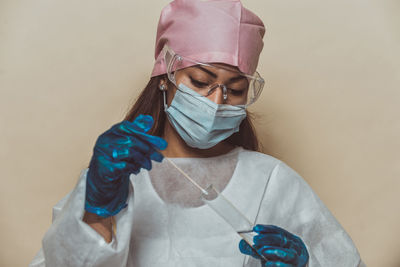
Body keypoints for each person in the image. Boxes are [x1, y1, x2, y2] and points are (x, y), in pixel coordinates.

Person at [29, 0, 365, 266]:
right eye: (201, 82)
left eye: (234, 90)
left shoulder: (272, 181)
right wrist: (96, 211)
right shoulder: (117, 175)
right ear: (165, 77)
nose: (217, 103)